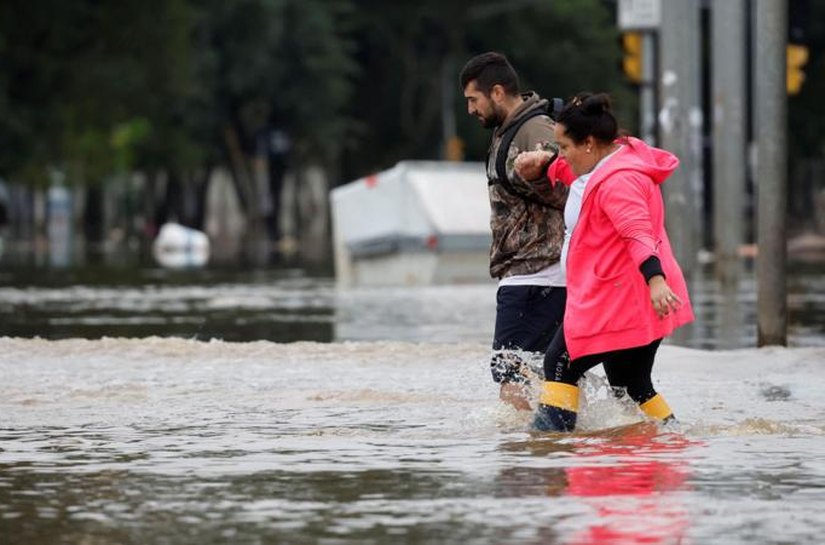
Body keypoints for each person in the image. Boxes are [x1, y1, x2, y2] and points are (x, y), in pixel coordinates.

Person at [514, 92, 694, 431]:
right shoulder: (611, 160)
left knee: (559, 364)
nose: (561, 155)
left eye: (564, 147)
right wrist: (545, 163)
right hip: (630, 295)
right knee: (630, 383)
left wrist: (655, 281)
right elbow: (573, 173)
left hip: (622, 297)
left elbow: (637, 233)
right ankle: (670, 438)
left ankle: (550, 448)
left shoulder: (620, 181)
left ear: (589, 144)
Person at [459, 52, 568, 411]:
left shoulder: (534, 131)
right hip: (535, 277)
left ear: (497, 92)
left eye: (473, 100)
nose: (471, 109)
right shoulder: (510, 129)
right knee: (542, 375)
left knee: (511, 378)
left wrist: (540, 172)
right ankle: (552, 450)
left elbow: (572, 190)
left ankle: (520, 460)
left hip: (534, 276)